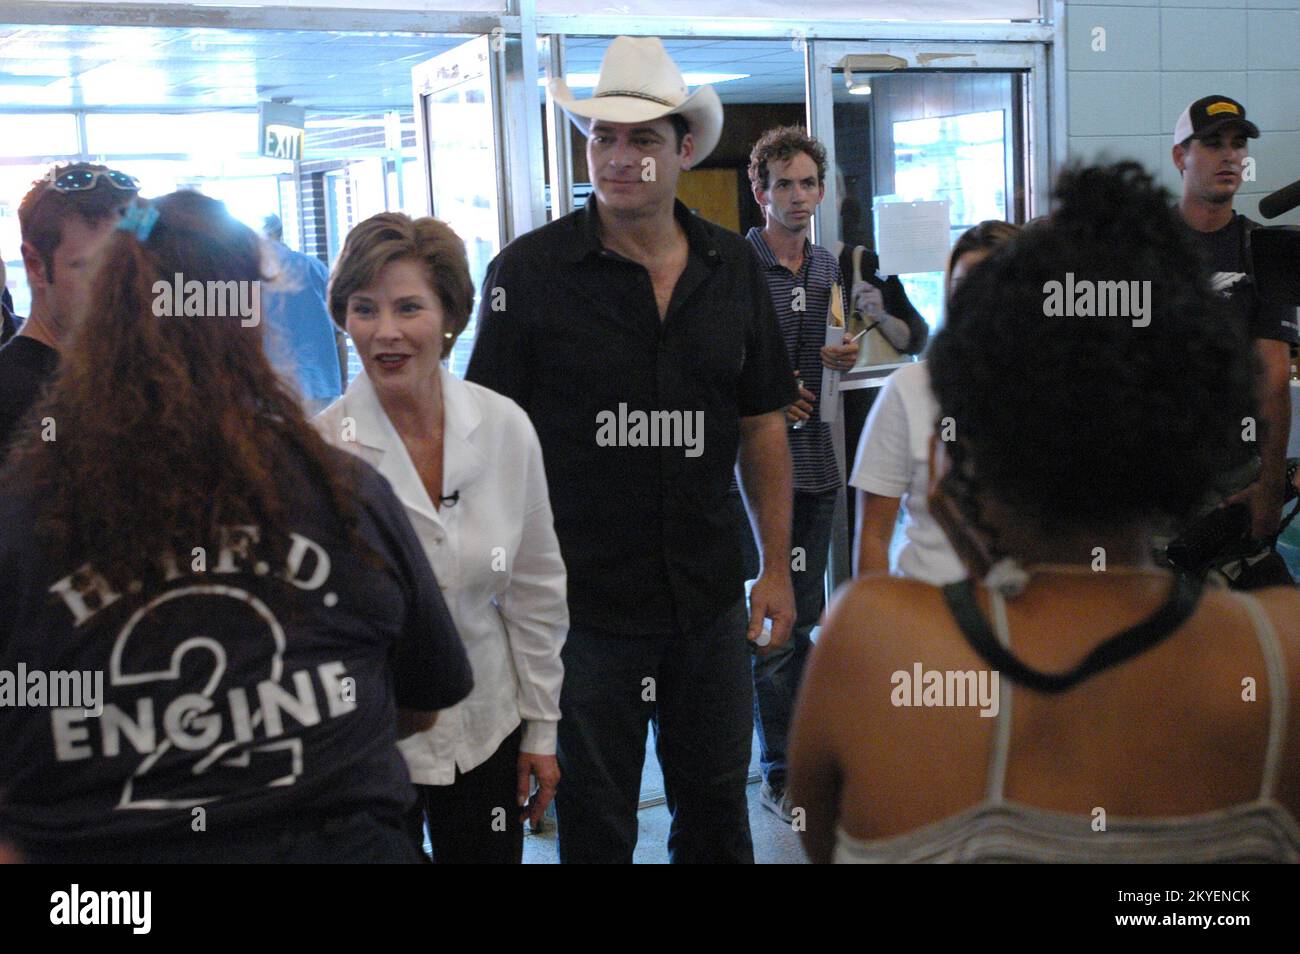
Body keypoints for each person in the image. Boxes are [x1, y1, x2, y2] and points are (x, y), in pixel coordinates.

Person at [789, 161, 1300, 863]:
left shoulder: (872, 644)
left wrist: (985, 570)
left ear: (970, 448)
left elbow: (822, 837)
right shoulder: (1280, 651)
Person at [0, 192, 472, 863]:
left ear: (106, 314)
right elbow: (423, 701)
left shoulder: (24, 516)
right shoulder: (344, 494)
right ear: (249, 317)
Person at [467, 36, 798, 864]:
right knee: (597, 818)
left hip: (707, 596)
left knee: (719, 807)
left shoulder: (732, 268)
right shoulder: (528, 275)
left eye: (642, 139)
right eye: (603, 137)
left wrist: (780, 566)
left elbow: (762, 422)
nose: (619, 158)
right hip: (580, 607)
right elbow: (489, 443)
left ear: (684, 150)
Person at [316, 212, 568, 864]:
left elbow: (536, 589)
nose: (386, 332)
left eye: (409, 308)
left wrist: (542, 727)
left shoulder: (505, 426)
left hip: (488, 728)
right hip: (371, 746)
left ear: (451, 316)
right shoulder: (321, 451)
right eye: (364, 309)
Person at [726, 126, 853, 822]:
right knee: (766, 632)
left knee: (803, 624)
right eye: (785, 185)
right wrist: (769, 394)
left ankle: (804, 761)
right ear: (760, 191)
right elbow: (725, 368)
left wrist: (845, 357)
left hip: (818, 467)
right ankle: (778, 773)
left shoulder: (830, 267)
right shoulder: (732, 266)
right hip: (751, 478)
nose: (798, 197)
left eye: (809, 184)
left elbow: (830, 347)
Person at [1171, 95, 1298, 585]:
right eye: (1212, 144)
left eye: (1238, 144)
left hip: (1230, 481)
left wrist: (1267, 488)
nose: (1229, 155)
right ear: (1180, 156)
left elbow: (1271, 377)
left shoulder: (1265, 251)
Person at [851, 221, 1019, 586]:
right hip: (928, 609)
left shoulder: (1058, 390)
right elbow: (873, 534)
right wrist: (877, 626)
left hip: (1031, 619)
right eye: (962, 289)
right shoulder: (909, 388)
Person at [0, 163, 138, 453]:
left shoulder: (127, 375)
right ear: (36, 266)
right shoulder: (11, 396)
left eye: (133, 268)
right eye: (96, 269)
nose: (122, 288)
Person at [261, 214, 345, 414]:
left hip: (271, 389)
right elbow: (339, 332)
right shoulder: (314, 267)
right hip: (321, 384)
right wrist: (342, 380)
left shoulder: (244, 276)